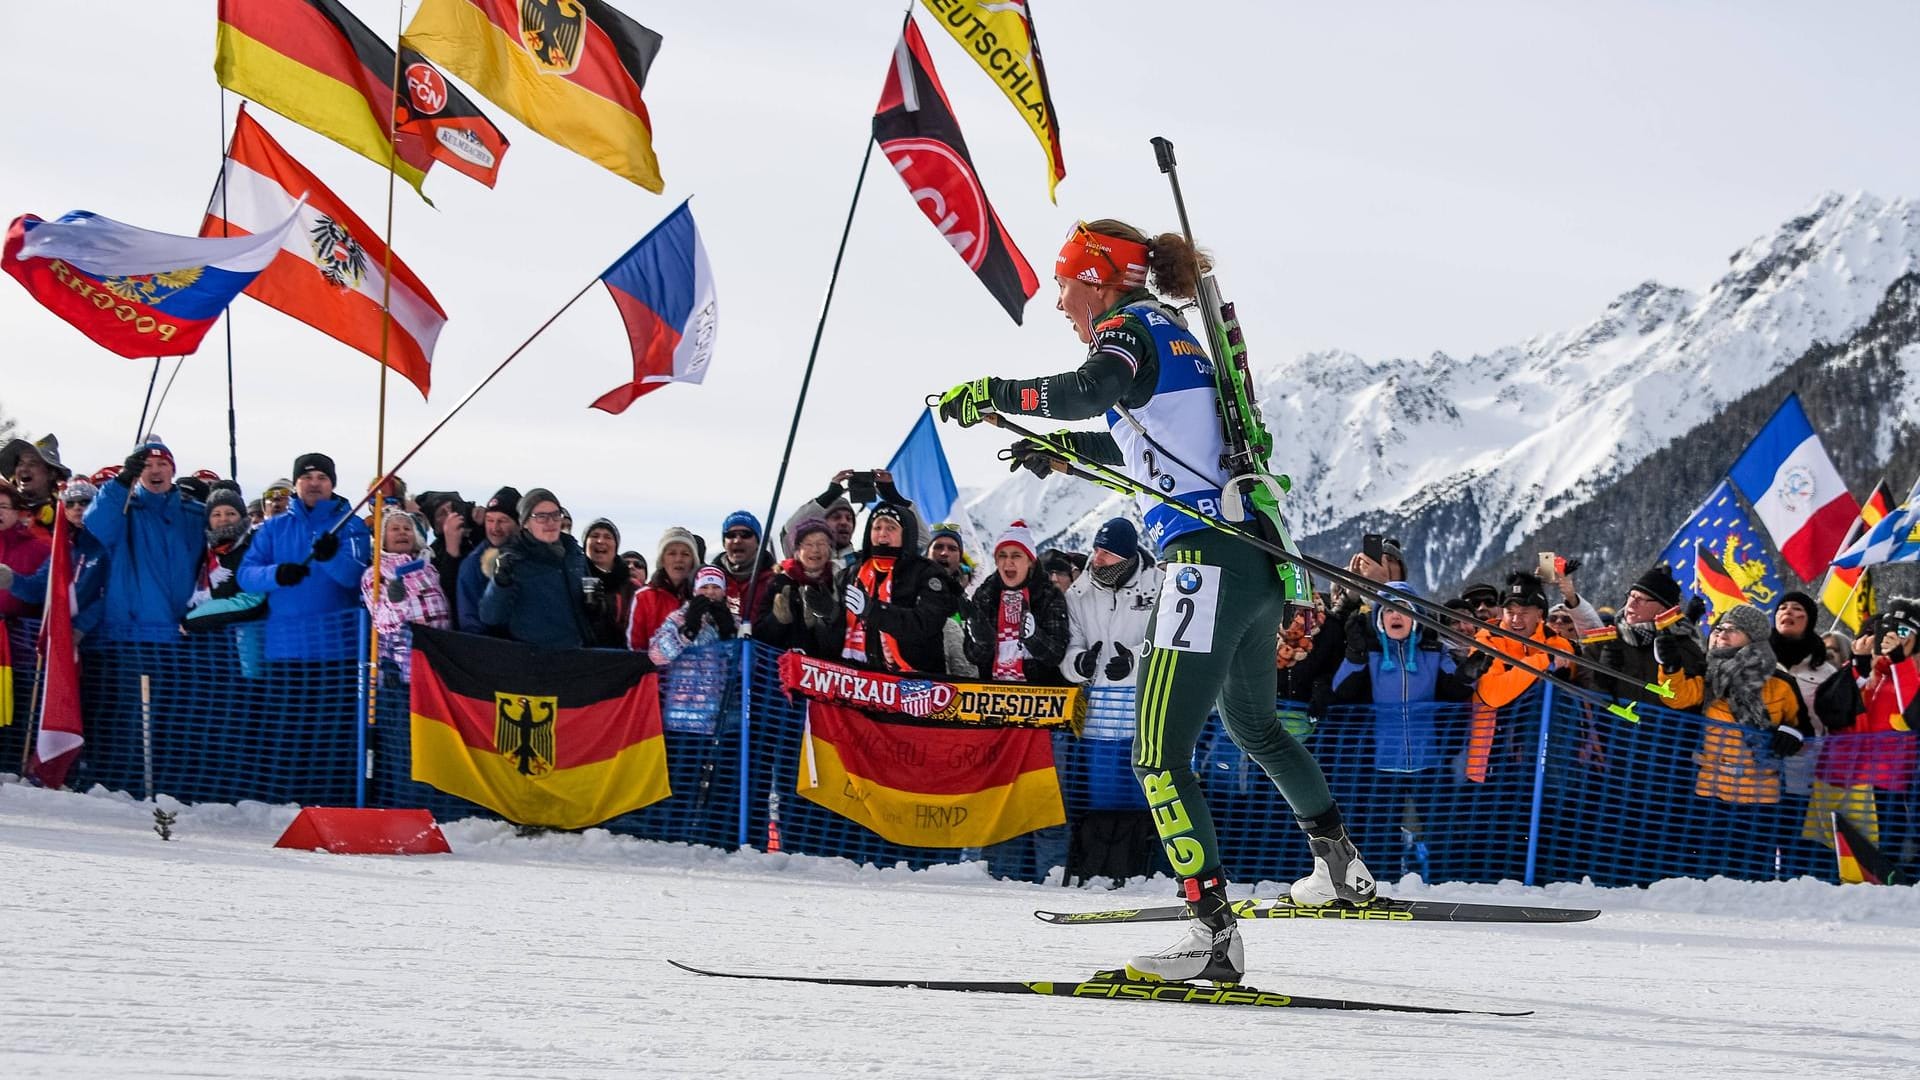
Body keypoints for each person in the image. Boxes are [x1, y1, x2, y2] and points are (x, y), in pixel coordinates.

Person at [934, 217, 1374, 982]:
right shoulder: (1169, 333)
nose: (1059, 303)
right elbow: (1148, 451)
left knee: (1158, 756)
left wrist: (994, 393)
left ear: (1097, 279)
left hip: (1202, 568)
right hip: (1253, 565)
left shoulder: (1127, 329)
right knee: (1255, 727)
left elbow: (1085, 391)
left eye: (1065, 285)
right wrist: (1060, 451)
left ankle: (1210, 936)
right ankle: (1340, 870)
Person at [1331, 581, 1485, 882]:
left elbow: (1457, 687)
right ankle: (1380, 881)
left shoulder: (1432, 651)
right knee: (1379, 831)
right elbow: (1341, 690)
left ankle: (1446, 882)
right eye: (1389, 609)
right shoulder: (1371, 653)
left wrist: (1468, 674)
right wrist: (1355, 657)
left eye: (1403, 609)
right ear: (1379, 618)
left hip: (1428, 760)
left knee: (1441, 827)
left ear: (1415, 617)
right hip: (1381, 763)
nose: (1395, 615)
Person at [1663, 603, 1809, 879]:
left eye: (1733, 630)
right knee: (1705, 870)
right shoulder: (1707, 676)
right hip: (1710, 791)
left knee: (1753, 873)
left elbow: (1802, 727)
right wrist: (1670, 667)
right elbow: (1676, 697)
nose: (1722, 634)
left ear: (1753, 638)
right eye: (1719, 628)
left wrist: (1793, 734)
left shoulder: (1780, 683)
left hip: (1760, 795)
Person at [237, 452, 371, 661]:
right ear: (296, 484)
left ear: (332, 484)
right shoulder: (273, 527)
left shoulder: (351, 525)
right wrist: (277, 574)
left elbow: (354, 577)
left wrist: (331, 557)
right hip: (284, 649)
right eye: (307, 478)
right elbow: (246, 576)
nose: (314, 484)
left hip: (337, 650)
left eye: (322, 478)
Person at [85, 440, 205, 635]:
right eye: (146, 465)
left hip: (187, 632)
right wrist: (121, 482)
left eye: (162, 464)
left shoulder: (196, 515)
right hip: (134, 633)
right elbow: (96, 525)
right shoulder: (123, 511)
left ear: (173, 471)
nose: (155, 471)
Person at [829, 502, 957, 675]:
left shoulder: (926, 572)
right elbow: (837, 634)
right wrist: (825, 614)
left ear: (906, 533)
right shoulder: (850, 574)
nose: (882, 533)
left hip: (917, 684)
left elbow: (926, 624)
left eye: (891, 527)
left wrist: (874, 610)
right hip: (861, 682)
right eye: (877, 527)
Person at [478, 488, 594, 650]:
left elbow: (587, 610)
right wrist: (500, 583)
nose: (550, 522)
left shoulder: (574, 554)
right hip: (535, 660)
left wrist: (595, 607)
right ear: (525, 523)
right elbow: (490, 616)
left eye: (555, 515)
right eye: (541, 517)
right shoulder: (512, 558)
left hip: (577, 653)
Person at [1061, 518, 1161, 692]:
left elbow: (1169, 646)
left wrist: (1134, 661)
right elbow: (1069, 647)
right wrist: (1078, 663)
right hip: (1099, 708)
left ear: (1125, 556)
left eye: (1106, 552)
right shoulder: (1078, 594)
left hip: (1146, 704)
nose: (1097, 559)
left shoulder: (1160, 587)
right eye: (1096, 549)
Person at [965, 521, 1070, 686]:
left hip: (1039, 695)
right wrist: (982, 642)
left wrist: (1034, 636)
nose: (1008, 562)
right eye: (1002, 556)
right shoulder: (985, 596)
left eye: (1016, 556)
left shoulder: (1048, 595)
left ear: (1030, 562)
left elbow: (1057, 655)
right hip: (991, 694)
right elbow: (973, 657)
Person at [5, 479, 108, 637]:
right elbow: (38, 590)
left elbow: (114, 594)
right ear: (64, 511)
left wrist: (82, 626)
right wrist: (12, 580)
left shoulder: (109, 545)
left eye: (84, 502)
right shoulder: (65, 549)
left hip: (105, 639)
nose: (77, 507)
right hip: (68, 639)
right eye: (70, 504)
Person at [361, 509, 449, 680]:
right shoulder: (376, 573)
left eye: (407, 529)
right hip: (403, 667)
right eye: (395, 529)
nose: (402, 532)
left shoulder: (428, 568)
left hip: (436, 661)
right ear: (383, 540)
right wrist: (396, 601)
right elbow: (382, 621)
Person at [752, 517, 840, 657]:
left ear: (830, 548)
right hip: (785, 669)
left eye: (821, 543)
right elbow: (761, 638)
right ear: (797, 550)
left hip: (825, 671)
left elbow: (844, 635)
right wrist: (777, 620)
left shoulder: (839, 581)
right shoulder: (779, 583)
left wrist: (820, 624)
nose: (815, 550)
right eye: (808, 544)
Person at [456, 486, 520, 635]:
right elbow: (469, 620)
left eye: (503, 521)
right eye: (490, 520)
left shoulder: (533, 555)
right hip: (497, 649)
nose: (495, 528)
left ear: (519, 524)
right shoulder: (473, 563)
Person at [649, 564, 738, 667]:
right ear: (694, 591)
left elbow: (746, 666)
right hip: (682, 681)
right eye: (704, 587)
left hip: (719, 681)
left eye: (716, 587)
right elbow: (656, 656)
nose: (710, 592)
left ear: (724, 592)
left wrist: (729, 634)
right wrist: (687, 632)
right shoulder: (678, 618)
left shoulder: (734, 621)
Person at [628, 527, 701, 650]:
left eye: (685, 554)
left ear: (693, 561)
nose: (679, 559)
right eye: (672, 553)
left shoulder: (702, 598)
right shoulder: (644, 597)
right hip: (652, 667)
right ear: (662, 560)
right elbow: (635, 648)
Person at [187, 487, 253, 612]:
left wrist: (194, 619)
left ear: (242, 516)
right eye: (216, 514)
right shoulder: (203, 552)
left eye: (231, 513)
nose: (223, 519)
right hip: (206, 628)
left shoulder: (252, 547)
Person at [925, 523, 976, 676]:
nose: (944, 553)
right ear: (927, 553)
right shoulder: (909, 590)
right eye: (938, 547)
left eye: (952, 549)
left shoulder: (969, 604)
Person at [0, 434, 70, 541]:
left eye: (32, 463)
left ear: (51, 473)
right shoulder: (5, 508)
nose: (23, 468)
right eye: (20, 463)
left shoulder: (69, 510)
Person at [712, 510, 775, 625]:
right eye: (730, 535)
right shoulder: (709, 580)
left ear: (758, 542)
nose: (737, 540)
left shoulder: (775, 581)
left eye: (746, 535)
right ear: (724, 542)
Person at [0, 482, 52, 619]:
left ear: (17, 512)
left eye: (3, 506)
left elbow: (43, 593)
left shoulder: (42, 549)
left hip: (23, 636)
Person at [581, 518, 635, 648]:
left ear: (616, 546)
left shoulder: (632, 588)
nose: (600, 541)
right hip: (581, 656)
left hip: (619, 657)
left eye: (608, 537)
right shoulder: (573, 579)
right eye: (594, 536)